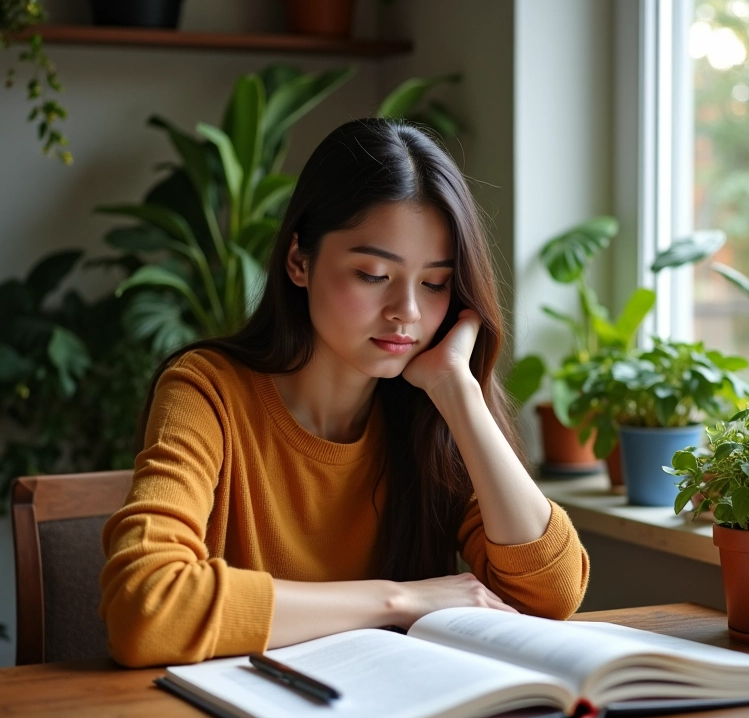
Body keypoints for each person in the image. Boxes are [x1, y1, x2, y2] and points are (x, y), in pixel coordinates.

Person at [100, 118, 589, 668]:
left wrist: (460, 395)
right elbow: (146, 607)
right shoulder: (208, 391)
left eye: (434, 283)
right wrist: (397, 599)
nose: (406, 310)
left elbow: (551, 594)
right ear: (299, 261)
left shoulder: (429, 415)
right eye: (373, 274)